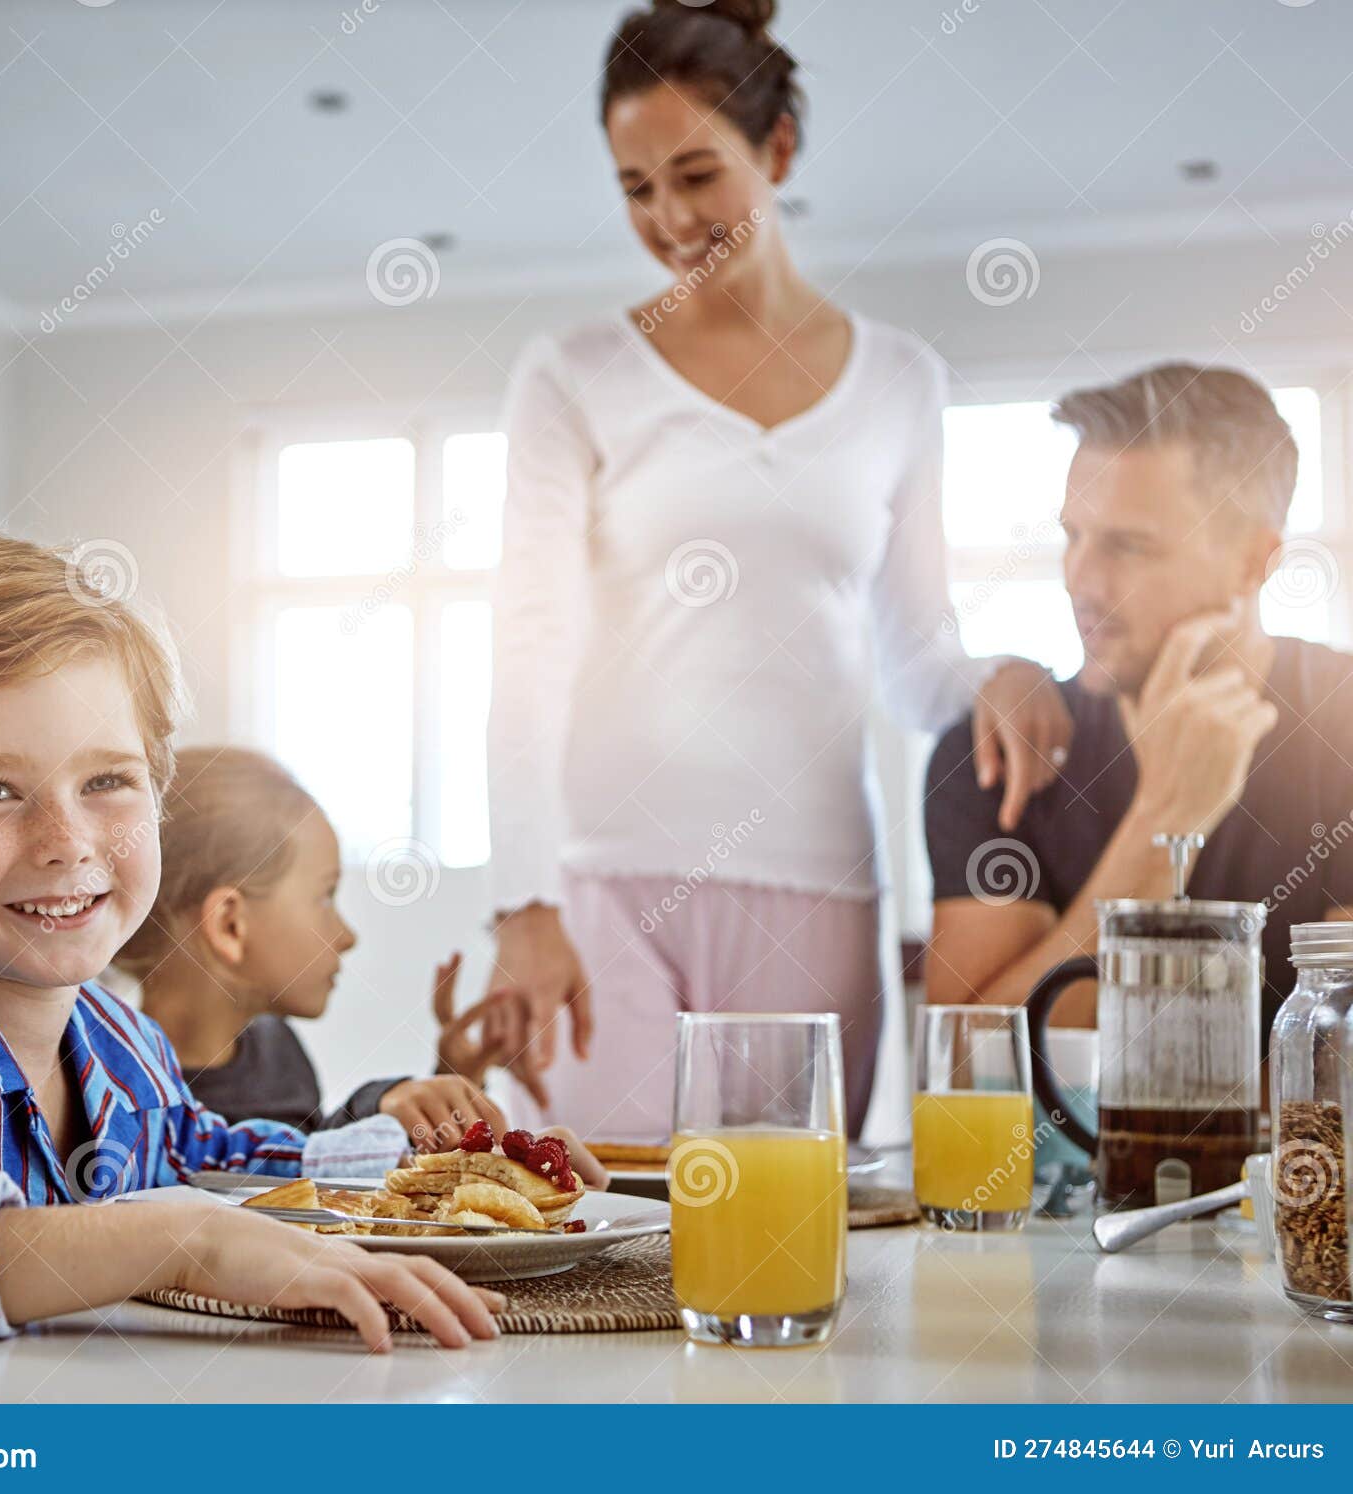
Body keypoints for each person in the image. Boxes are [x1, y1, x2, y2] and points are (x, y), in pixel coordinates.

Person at [485, 0, 1071, 1139]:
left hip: (820, 889)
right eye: (635, 186)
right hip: (604, 882)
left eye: (697, 175)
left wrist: (1001, 672)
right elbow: (527, 649)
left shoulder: (902, 381)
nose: (665, 218)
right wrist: (523, 903)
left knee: (780, 1264)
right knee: (592, 1254)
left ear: (780, 150)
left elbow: (912, 663)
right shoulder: (573, 374)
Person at [0, 534, 500, 1367]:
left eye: (107, 781)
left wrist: (427, 1152)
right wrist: (167, 1237)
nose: (65, 842)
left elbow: (204, 1159)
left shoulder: (122, 1041)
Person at [924, 364, 1353, 1030]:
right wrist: (1163, 824)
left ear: (1252, 562)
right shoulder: (1000, 754)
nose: (1080, 580)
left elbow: (1341, 1074)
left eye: (1129, 546)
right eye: (1074, 535)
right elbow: (970, 1077)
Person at [120, 745, 602, 1183]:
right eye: (325, 896)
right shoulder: (121, 1086)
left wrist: (447, 1088)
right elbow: (254, 1177)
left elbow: (318, 1165)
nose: (347, 936)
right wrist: (384, 1103)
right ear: (231, 925)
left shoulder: (274, 1050)